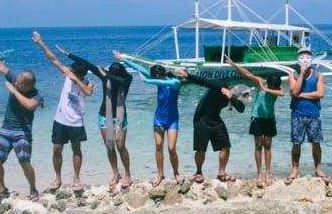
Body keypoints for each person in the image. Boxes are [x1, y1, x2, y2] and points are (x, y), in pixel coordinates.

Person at [0, 36, 44, 206]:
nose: (16, 83)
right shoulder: (15, 80)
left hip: (22, 132)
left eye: (19, 83)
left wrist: (14, 91)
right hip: (6, 128)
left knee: (24, 161)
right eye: (16, 81)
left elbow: (29, 106)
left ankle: (33, 189)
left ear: (27, 85)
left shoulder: (36, 94)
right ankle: (1, 189)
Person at [57, 46, 133, 190]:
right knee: (110, 147)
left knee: (121, 146)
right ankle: (116, 173)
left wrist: (110, 72)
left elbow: (119, 79)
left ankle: (128, 174)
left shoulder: (126, 79)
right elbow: (87, 63)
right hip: (104, 115)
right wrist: (68, 54)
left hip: (121, 116)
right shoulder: (106, 78)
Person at [33, 32, 94, 193]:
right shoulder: (68, 75)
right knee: (57, 149)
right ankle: (58, 177)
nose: (68, 71)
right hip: (60, 120)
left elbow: (88, 93)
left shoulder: (88, 82)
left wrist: (76, 80)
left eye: (72, 71)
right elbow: (53, 59)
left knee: (76, 150)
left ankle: (76, 178)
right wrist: (41, 43)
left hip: (76, 122)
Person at [116, 53, 184, 187]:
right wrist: (124, 60)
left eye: (154, 77)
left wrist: (147, 81)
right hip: (159, 118)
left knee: (171, 148)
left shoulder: (175, 82)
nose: (152, 79)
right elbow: (139, 68)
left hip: (172, 120)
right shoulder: (158, 80)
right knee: (158, 146)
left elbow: (160, 82)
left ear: (158, 75)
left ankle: (176, 172)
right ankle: (160, 174)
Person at [175, 68, 247, 183]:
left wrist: (230, 97)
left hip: (215, 118)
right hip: (201, 117)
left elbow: (241, 109)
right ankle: (198, 172)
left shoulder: (231, 97)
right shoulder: (220, 86)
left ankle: (221, 172)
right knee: (201, 148)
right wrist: (187, 76)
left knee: (225, 145)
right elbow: (204, 82)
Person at [225, 56, 285, 187]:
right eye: (271, 85)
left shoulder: (276, 88)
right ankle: (259, 174)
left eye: (274, 86)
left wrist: (266, 89)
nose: (273, 87)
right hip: (257, 117)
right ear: (268, 82)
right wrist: (233, 64)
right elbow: (247, 73)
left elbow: (282, 94)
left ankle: (268, 173)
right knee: (258, 145)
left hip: (269, 118)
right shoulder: (260, 82)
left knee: (268, 145)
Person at [286, 45, 329, 185]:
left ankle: (318, 168)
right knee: (296, 143)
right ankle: (294, 170)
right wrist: (302, 76)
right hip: (297, 114)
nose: (305, 60)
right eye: (302, 57)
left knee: (315, 143)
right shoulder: (293, 75)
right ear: (298, 60)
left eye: (308, 57)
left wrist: (302, 94)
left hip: (313, 114)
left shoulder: (318, 75)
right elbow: (293, 92)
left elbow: (320, 93)